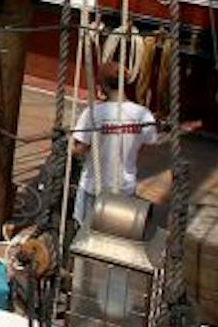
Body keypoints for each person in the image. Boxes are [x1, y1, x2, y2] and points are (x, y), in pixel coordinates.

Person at [69, 59, 163, 224]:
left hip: (93, 186)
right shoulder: (143, 115)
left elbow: (78, 150)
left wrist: (70, 143)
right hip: (124, 189)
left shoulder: (93, 113)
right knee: (112, 232)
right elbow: (148, 149)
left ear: (101, 86)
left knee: (85, 231)